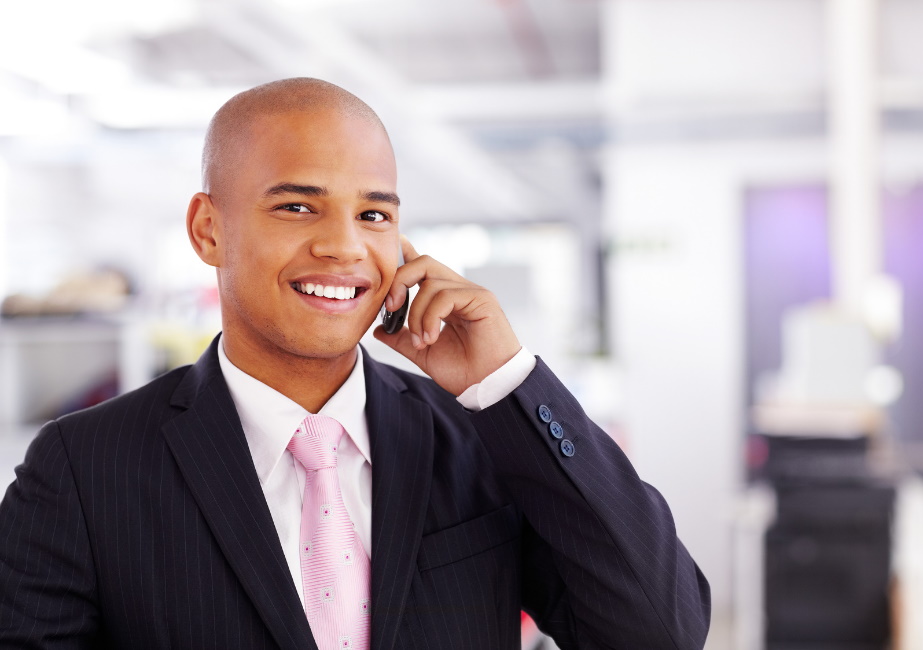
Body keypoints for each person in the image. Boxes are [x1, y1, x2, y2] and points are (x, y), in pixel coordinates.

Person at [0, 78, 710, 649]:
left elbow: (657, 631)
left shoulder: (479, 440)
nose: (344, 247)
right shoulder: (84, 469)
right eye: (299, 208)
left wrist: (506, 380)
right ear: (208, 230)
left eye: (373, 215)